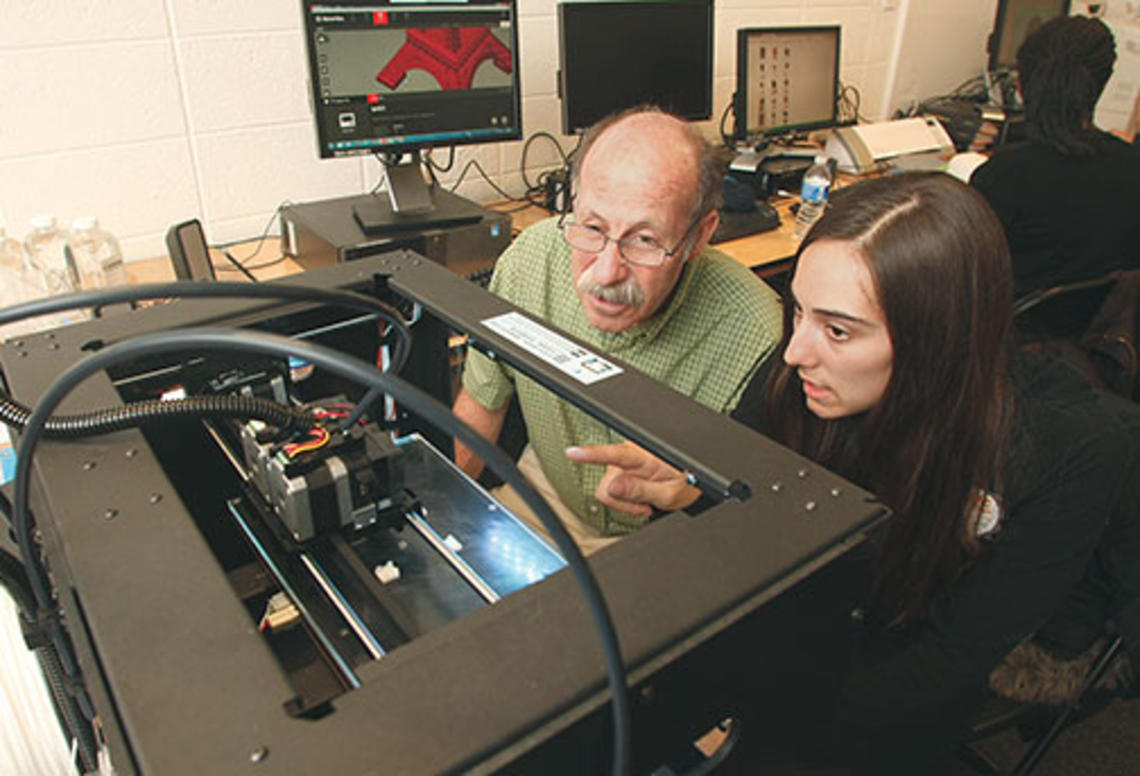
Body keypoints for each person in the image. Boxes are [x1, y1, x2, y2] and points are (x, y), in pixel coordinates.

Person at [568, 172, 1140, 772]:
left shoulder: (1069, 453)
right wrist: (694, 490)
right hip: (795, 631)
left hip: (882, 695)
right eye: (798, 312)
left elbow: (943, 664)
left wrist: (749, 725)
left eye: (838, 330)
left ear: (935, 341)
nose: (794, 352)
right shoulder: (808, 371)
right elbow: (755, 526)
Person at [453, 106, 782, 552]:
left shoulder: (756, 333)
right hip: (542, 493)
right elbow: (482, 404)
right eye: (592, 227)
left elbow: (752, 513)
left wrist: (695, 491)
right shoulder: (529, 259)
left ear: (699, 237)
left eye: (645, 240)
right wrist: (444, 514)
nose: (607, 273)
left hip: (663, 540)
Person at [971, 15, 1140, 300]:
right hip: (1101, 335)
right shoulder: (1132, 166)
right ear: (1103, 83)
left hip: (1006, 336)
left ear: (1022, 87)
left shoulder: (1003, 177)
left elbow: (959, 276)